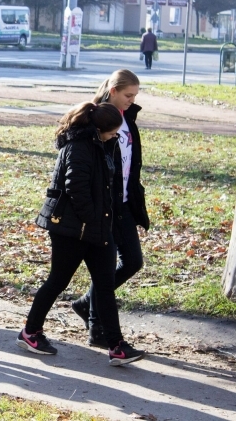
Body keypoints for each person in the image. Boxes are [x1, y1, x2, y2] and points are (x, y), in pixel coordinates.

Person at [18, 102, 146, 366]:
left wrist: (103, 223)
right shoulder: (77, 147)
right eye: (112, 132)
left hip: (97, 228)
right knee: (58, 281)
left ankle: (116, 346)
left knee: (105, 287)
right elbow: (76, 188)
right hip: (70, 230)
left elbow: (107, 186)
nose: (115, 137)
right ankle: (30, 332)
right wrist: (93, 219)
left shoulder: (103, 144)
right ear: (99, 129)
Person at [71, 70, 150, 347]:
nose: (132, 100)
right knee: (104, 269)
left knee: (133, 261)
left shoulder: (128, 118)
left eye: (135, 95)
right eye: (128, 95)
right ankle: (96, 327)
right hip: (104, 205)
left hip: (124, 202)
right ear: (113, 90)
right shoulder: (95, 117)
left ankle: (86, 302)